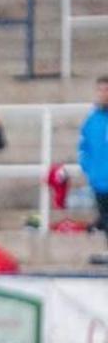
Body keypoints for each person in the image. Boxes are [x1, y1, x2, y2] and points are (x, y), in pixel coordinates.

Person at [78, 75, 108, 252]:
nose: (104, 94)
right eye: (101, 90)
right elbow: (84, 148)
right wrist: (90, 170)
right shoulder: (92, 121)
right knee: (105, 219)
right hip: (100, 181)